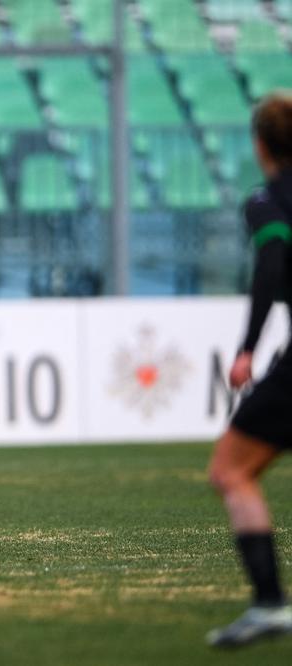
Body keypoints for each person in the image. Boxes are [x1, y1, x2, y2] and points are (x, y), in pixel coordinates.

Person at [207, 92, 292, 647]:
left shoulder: (267, 201)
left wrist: (247, 350)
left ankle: (269, 604)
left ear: (259, 144)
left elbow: (271, 266)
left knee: (231, 471)